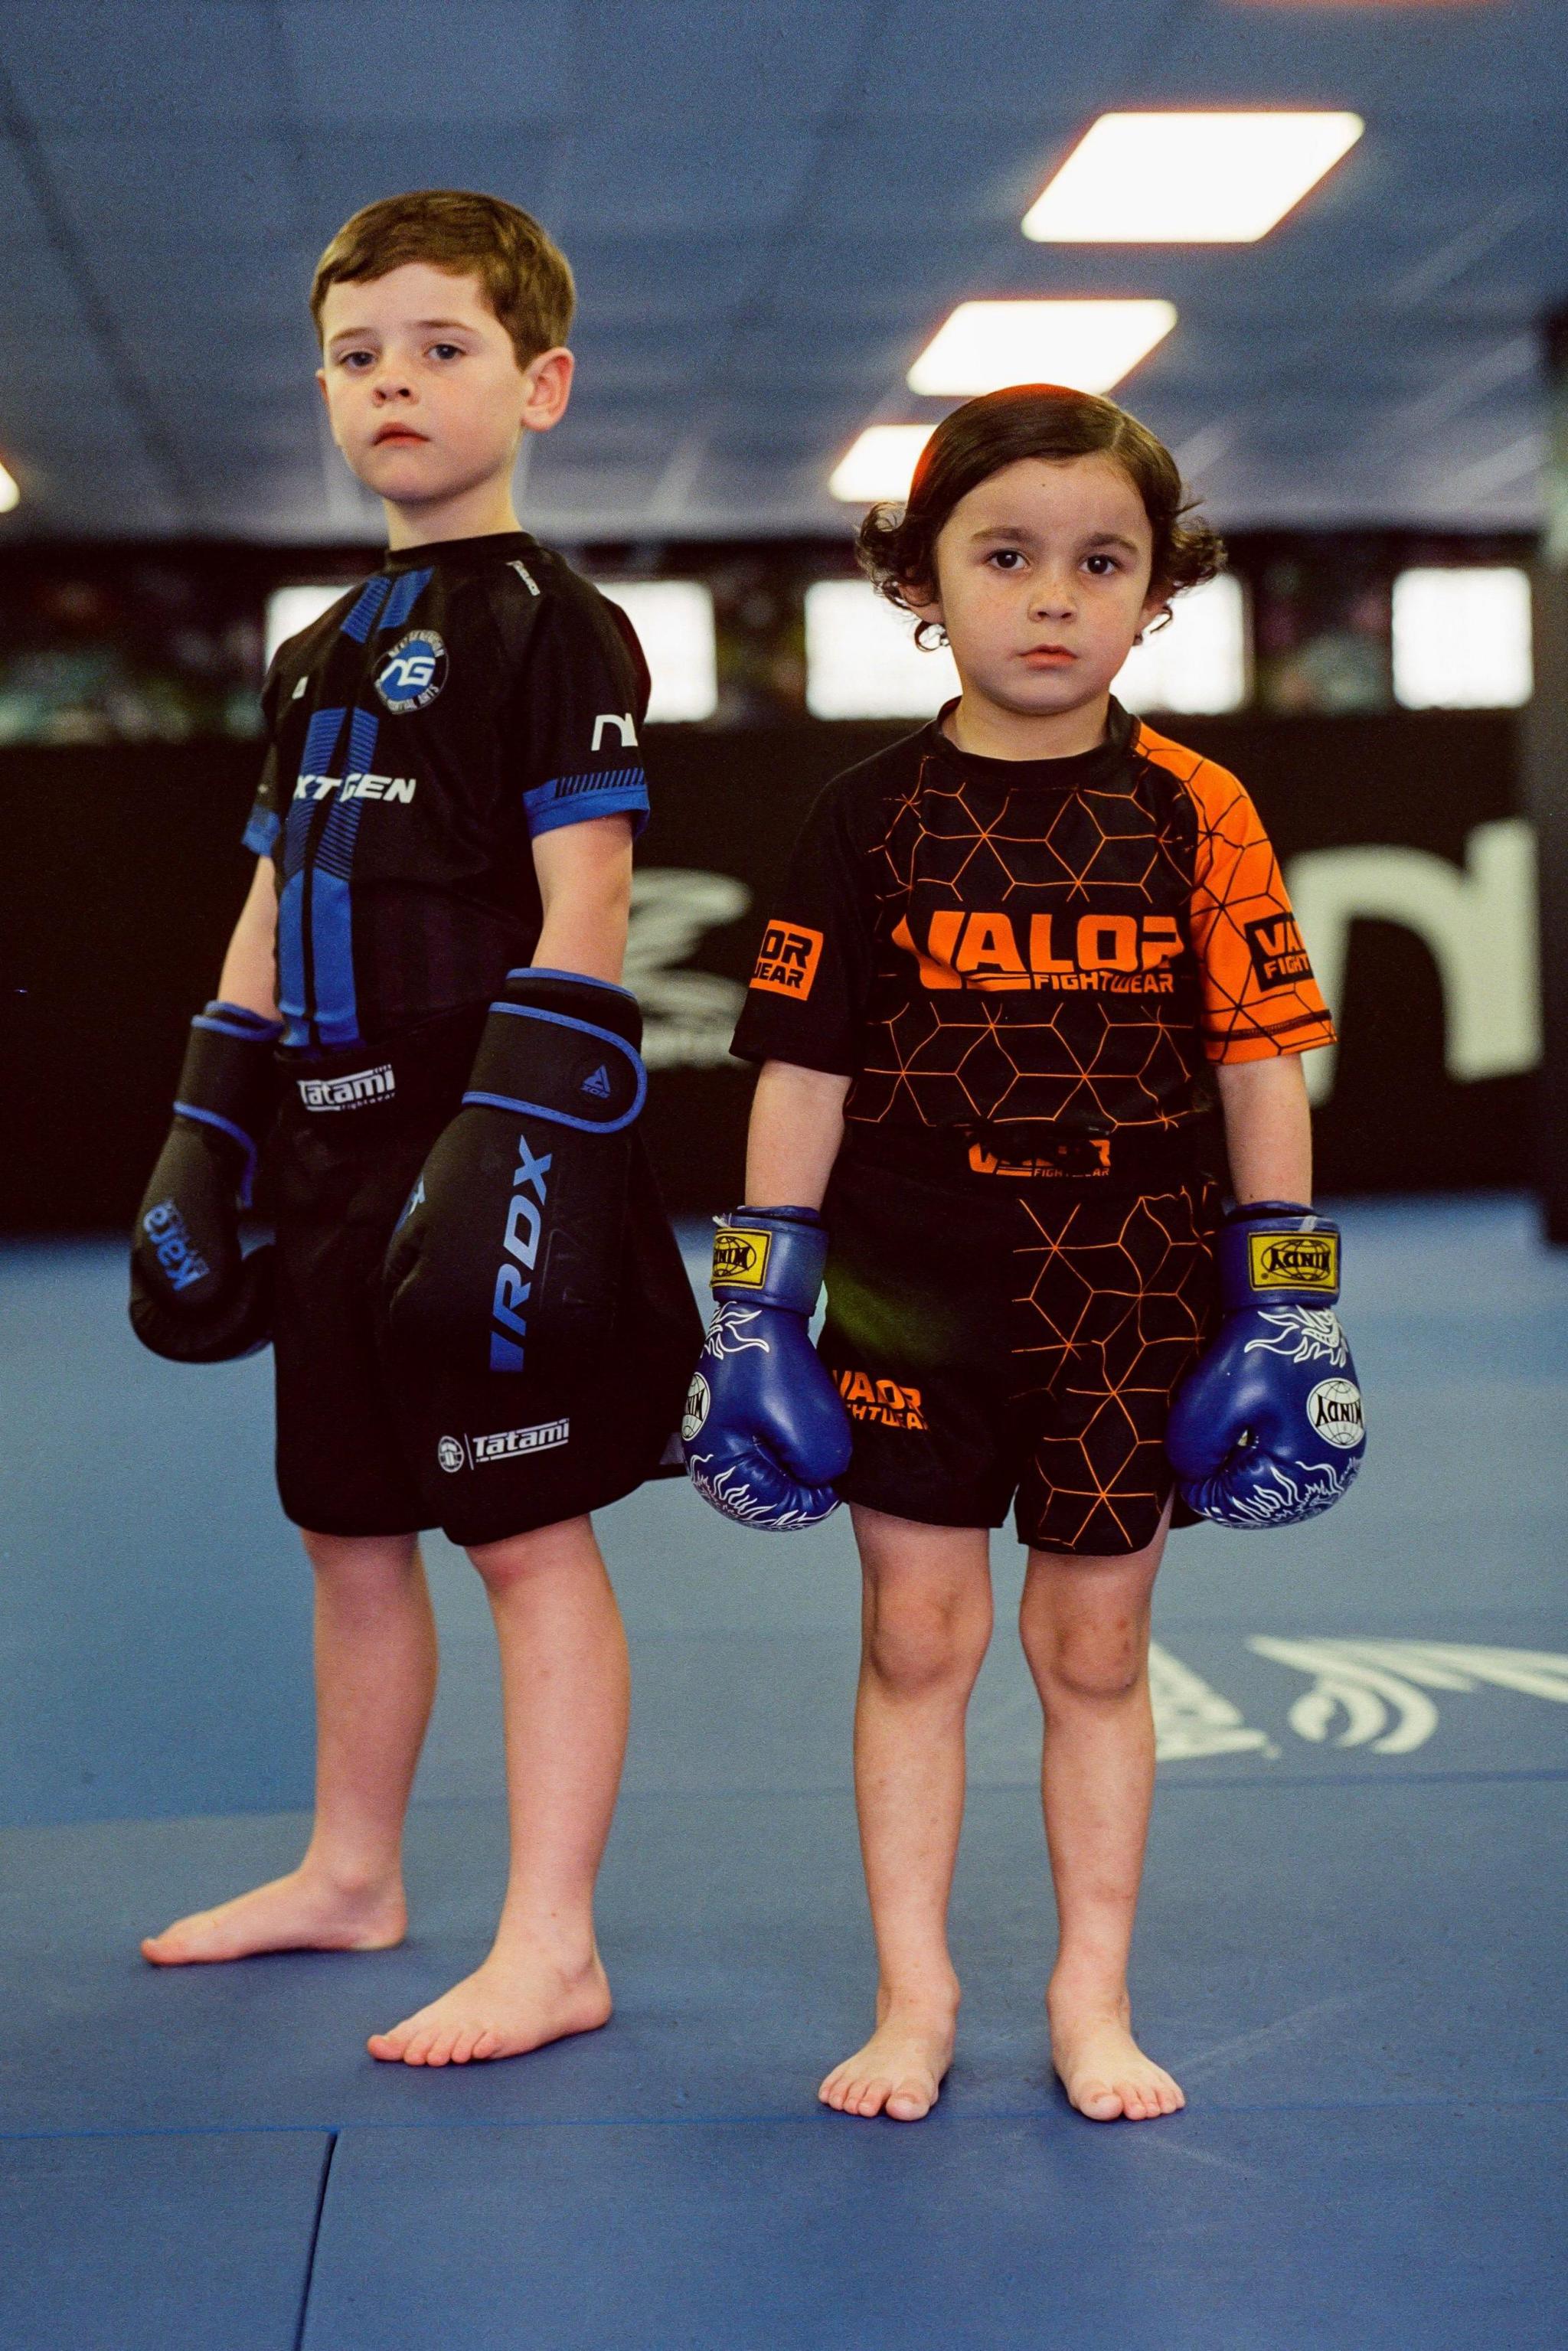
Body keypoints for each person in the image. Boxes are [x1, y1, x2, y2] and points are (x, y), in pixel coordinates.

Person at [683, 384, 1351, 2125]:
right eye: (1006, 555)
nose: (1052, 596)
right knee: (915, 1637)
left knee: (1100, 1652)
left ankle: (1091, 1998)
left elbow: (1258, 1062)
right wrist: (754, 1307)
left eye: (1099, 560)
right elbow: (803, 1070)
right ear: (923, 579)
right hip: (912, 1259)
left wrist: (1291, 1311)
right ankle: (915, 1996)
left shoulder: (1198, 809)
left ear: (1154, 592)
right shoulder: (867, 815)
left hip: (1133, 1267)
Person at [131, 189, 700, 2067]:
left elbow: (591, 898)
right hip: (323, 1148)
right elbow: (267, 896)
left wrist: (515, 1150)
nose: (395, 383)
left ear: (538, 383)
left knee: (525, 1534)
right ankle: (351, 1874)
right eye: (359, 356)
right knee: (348, 1527)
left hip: (488, 1150)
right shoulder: (314, 651)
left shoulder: (558, 626)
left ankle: (554, 1944)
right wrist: (211, 1115)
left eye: (441, 348)